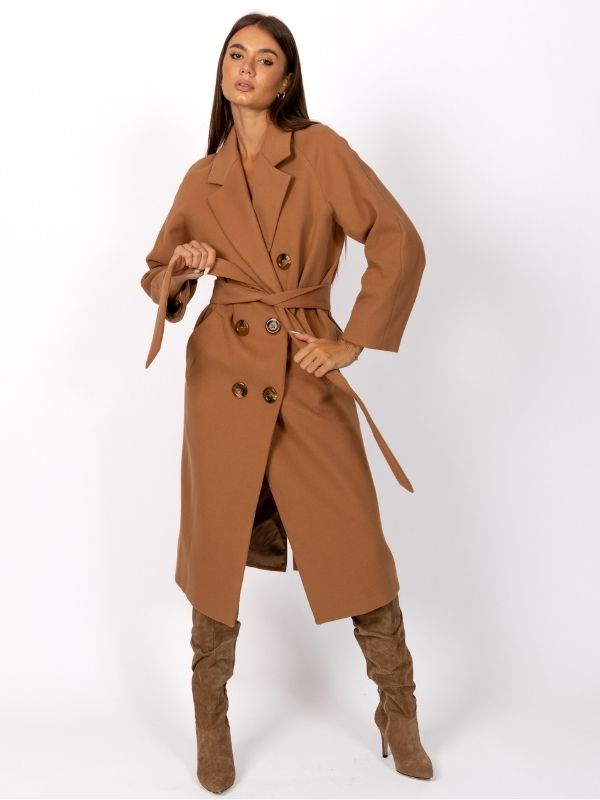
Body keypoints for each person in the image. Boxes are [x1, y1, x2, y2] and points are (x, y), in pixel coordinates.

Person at [141, 12, 433, 794]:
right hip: (223, 378)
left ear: (287, 79)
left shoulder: (321, 151)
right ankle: (211, 720)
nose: (246, 68)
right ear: (222, 70)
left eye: (265, 59)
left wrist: (352, 341)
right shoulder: (201, 177)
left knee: (356, 542)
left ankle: (399, 708)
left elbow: (397, 238)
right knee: (215, 554)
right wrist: (185, 268)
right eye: (236, 55)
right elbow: (158, 272)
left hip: (304, 365)